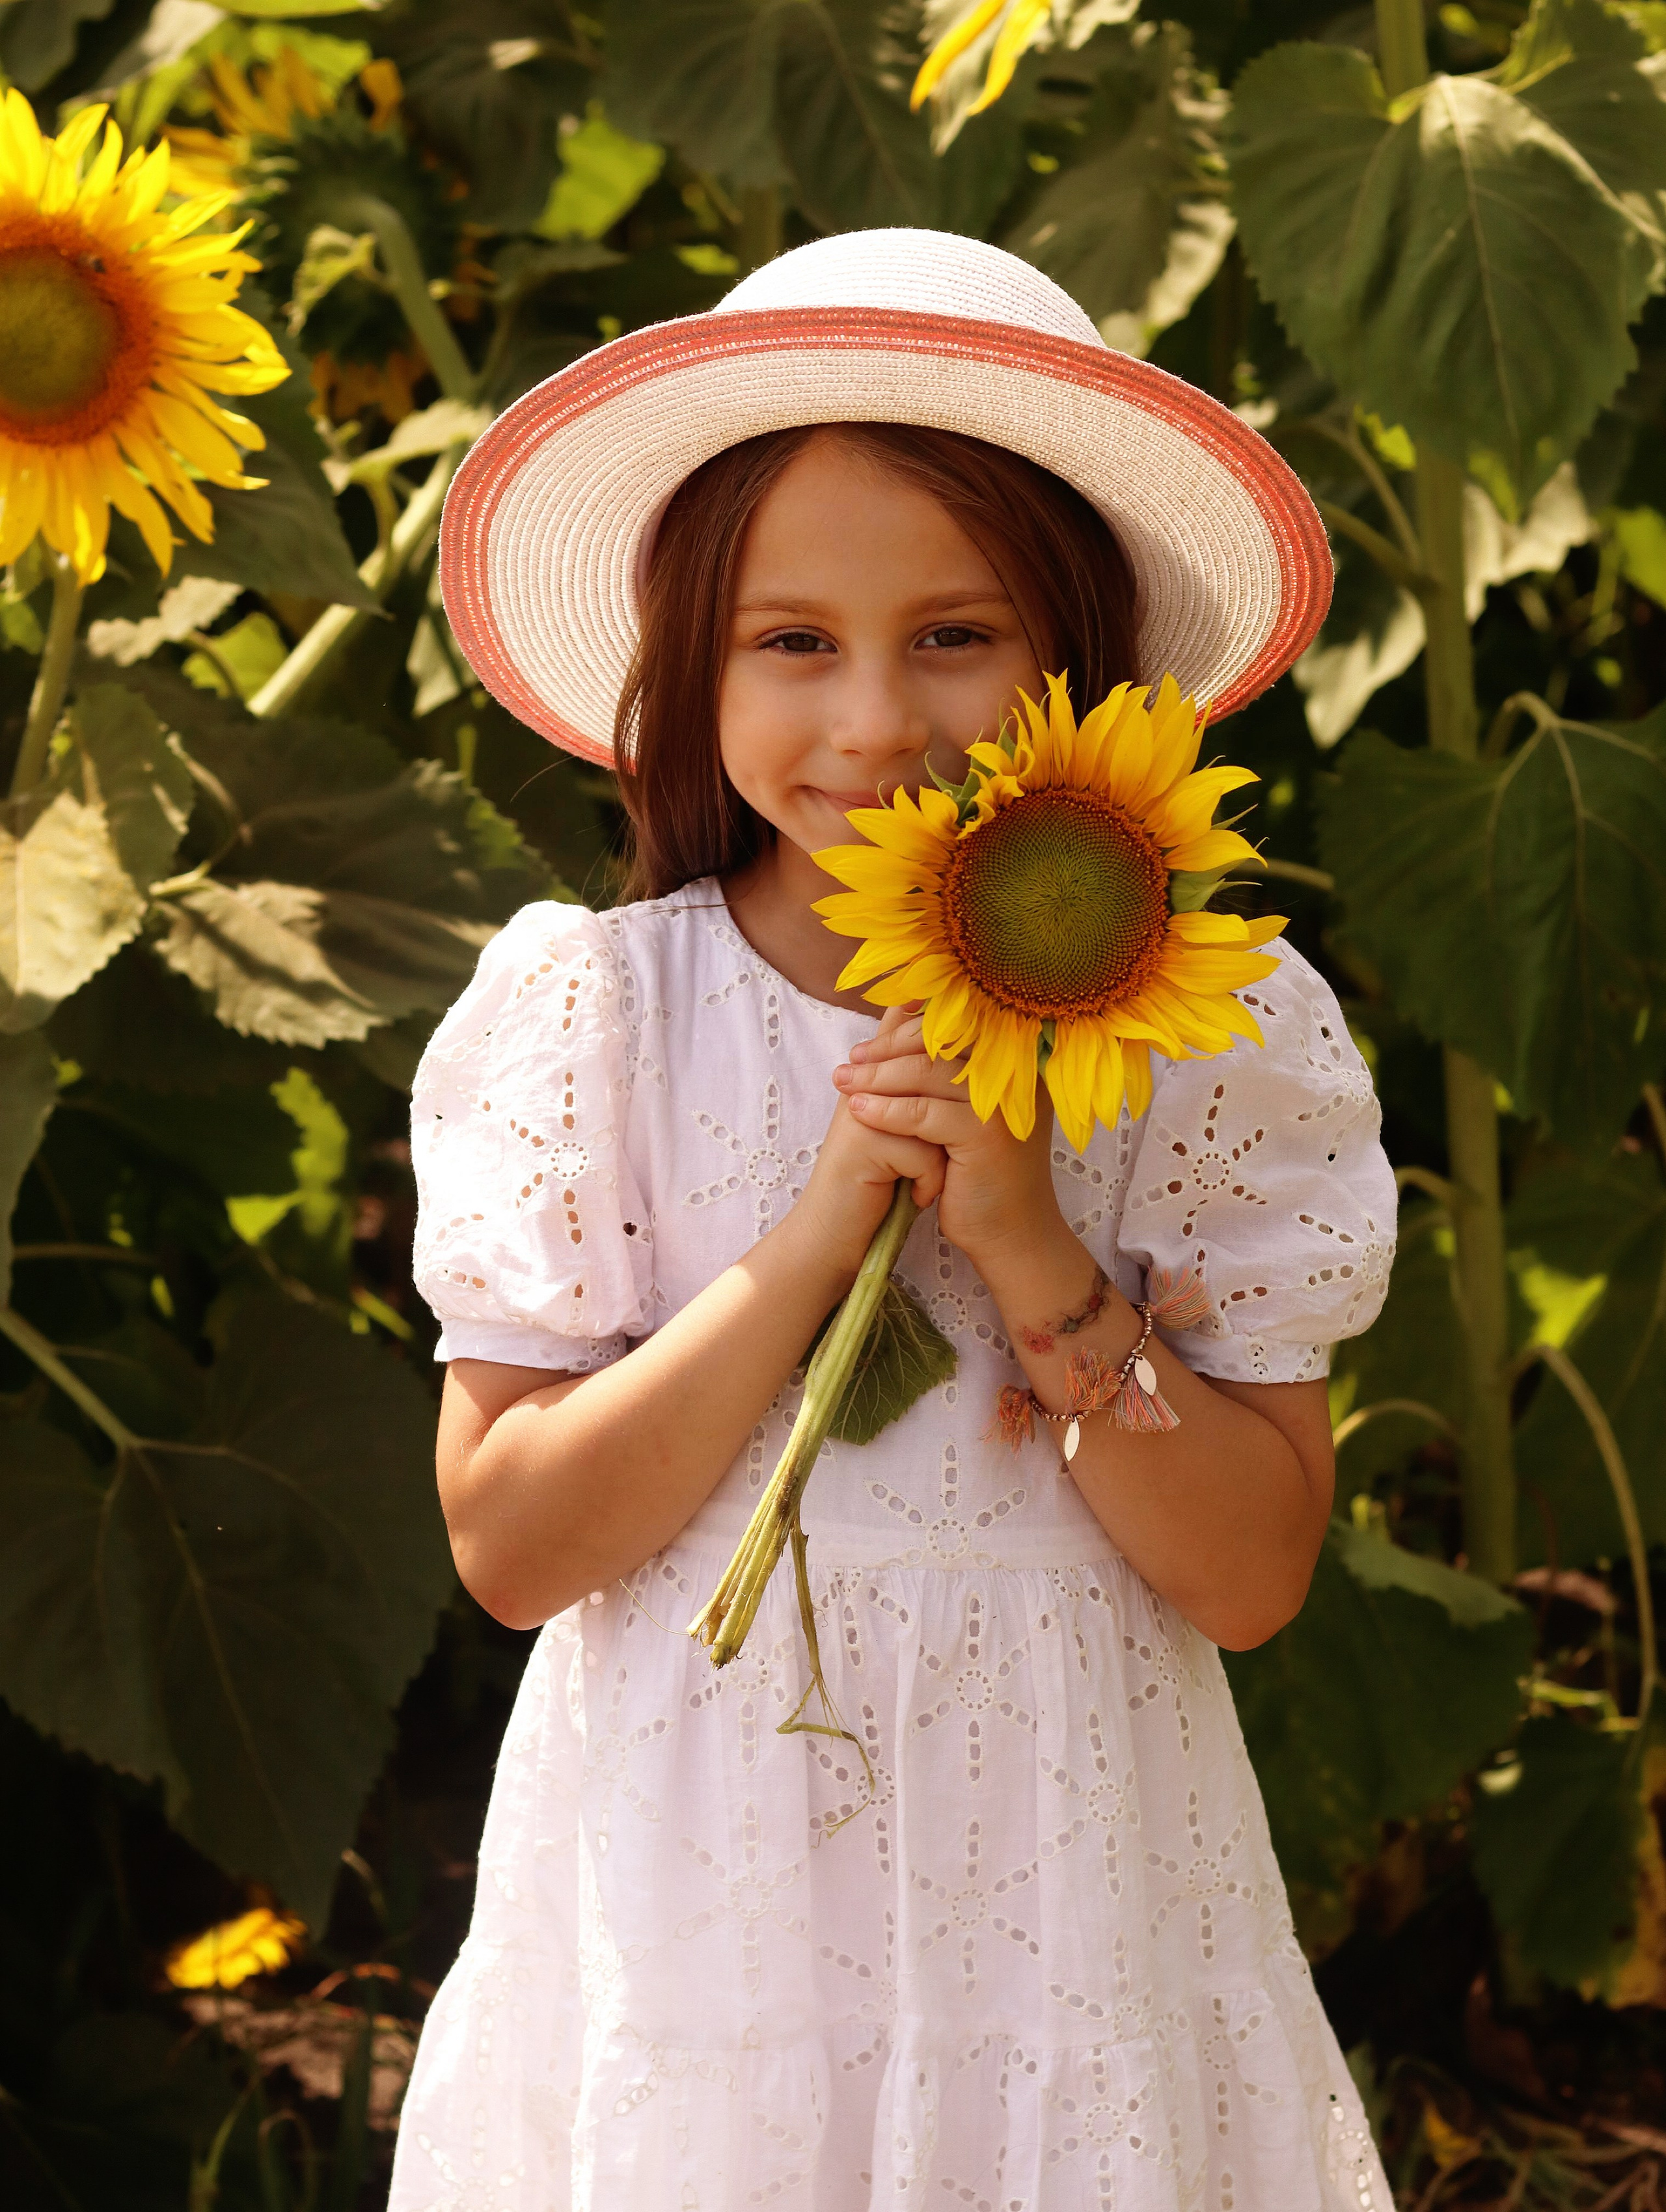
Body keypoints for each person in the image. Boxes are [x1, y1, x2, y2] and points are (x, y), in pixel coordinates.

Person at [389, 228, 1398, 2211]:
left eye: (957, 637)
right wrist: (810, 1241)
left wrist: (1033, 1248)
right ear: (689, 667)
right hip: (705, 1895)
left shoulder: (1215, 1035)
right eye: (792, 644)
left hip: (1072, 1880)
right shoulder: (600, 1016)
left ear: (1081, 664)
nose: (875, 723)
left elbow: (1254, 1574)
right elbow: (511, 1545)